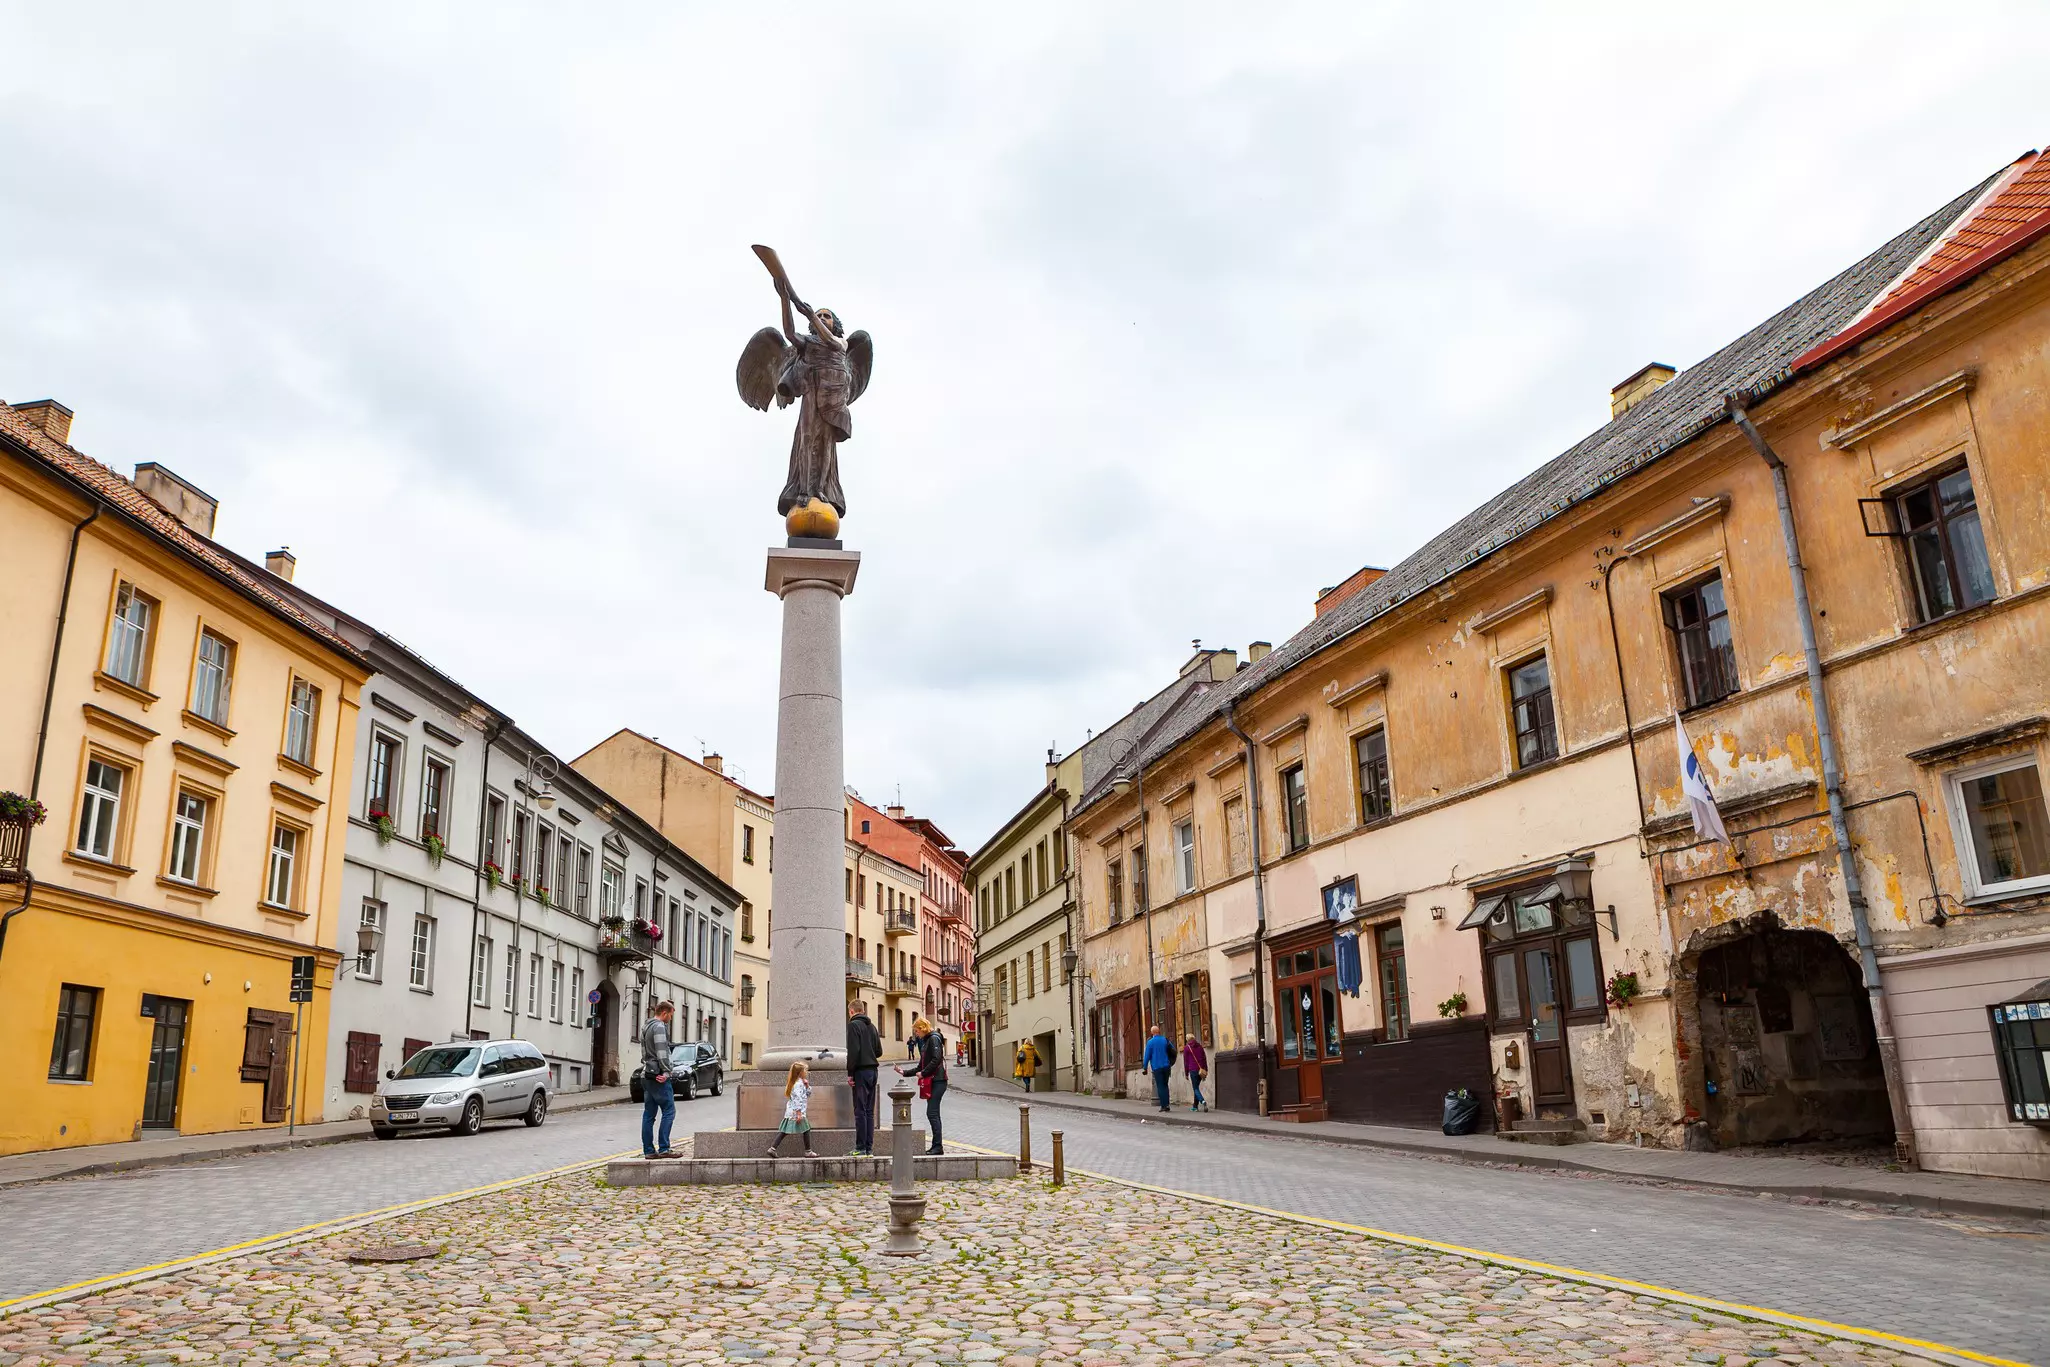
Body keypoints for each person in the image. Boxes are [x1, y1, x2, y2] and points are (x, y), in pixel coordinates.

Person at [897, 1016, 949, 1154]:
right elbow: (921, 1065)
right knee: (933, 1113)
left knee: (932, 1112)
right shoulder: (926, 1041)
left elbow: (936, 1059)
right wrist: (904, 1072)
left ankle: (938, 1146)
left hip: (938, 1081)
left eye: (917, 1031)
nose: (916, 1034)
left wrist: (924, 1073)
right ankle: (937, 1146)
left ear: (922, 1028)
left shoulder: (933, 1038)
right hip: (933, 1081)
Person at [639, 1001, 678, 1159]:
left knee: (649, 1114)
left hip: (647, 1073)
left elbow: (644, 1052)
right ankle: (664, 1148)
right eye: (670, 1015)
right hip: (659, 1076)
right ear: (664, 1013)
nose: (670, 1018)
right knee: (669, 1110)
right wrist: (667, 1072)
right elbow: (662, 1052)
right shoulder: (659, 1026)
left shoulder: (645, 1026)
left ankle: (648, 1150)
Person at [846, 999, 884, 1157]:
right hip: (873, 1071)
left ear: (852, 1012)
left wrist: (850, 1073)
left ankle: (860, 1147)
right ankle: (869, 1148)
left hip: (860, 1072)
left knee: (860, 1110)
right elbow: (879, 1051)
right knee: (869, 1111)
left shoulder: (854, 1026)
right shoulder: (873, 1027)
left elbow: (853, 1051)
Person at [766, 1061, 817, 1158]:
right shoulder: (797, 1084)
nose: (806, 1072)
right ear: (800, 1072)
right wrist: (798, 1113)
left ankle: (772, 1148)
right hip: (796, 1111)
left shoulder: (799, 1082)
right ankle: (808, 1151)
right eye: (804, 1070)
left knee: (785, 1131)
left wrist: (807, 1086)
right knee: (806, 1129)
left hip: (792, 1111)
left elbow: (807, 1094)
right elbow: (797, 1099)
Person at [1141, 1024, 1174, 1113]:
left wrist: (1144, 1067)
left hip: (1157, 1067)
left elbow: (1147, 1056)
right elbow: (1173, 1050)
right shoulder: (1165, 1040)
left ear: (1152, 1033)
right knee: (1165, 1085)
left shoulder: (1150, 1042)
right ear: (1158, 1031)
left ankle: (1163, 1106)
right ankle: (1167, 1104)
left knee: (1160, 1086)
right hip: (1166, 1066)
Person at [1182, 1032, 1210, 1112]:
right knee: (1196, 1087)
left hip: (1193, 1070)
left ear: (1187, 1039)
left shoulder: (1187, 1048)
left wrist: (1186, 1073)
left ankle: (1203, 1101)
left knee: (1195, 1088)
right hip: (1201, 1070)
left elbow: (1186, 1062)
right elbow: (1204, 1058)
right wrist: (1206, 1069)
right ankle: (1195, 1106)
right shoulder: (1200, 1046)